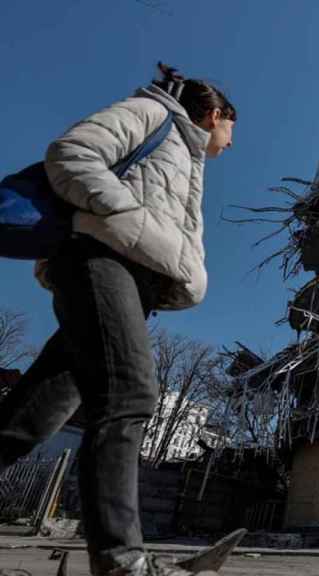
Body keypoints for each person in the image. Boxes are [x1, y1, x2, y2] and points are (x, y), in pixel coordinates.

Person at [0, 63, 235, 576]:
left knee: (31, 417)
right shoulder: (153, 114)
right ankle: (123, 561)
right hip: (100, 262)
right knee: (129, 394)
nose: (230, 144)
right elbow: (72, 155)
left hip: (132, 280)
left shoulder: (190, 159)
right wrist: (125, 216)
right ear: (215, 115)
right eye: (230, 131)